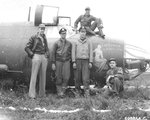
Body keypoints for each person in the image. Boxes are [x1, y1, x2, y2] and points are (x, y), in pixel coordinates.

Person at [25, 24, 49, 99]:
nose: (42, 30)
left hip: (43, 57)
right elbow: (27, 47)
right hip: (36, 56)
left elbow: (46, 48)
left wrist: (47, 54)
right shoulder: (33, 37)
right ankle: (32, 95)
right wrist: (32, 55)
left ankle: (42, 94)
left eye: (43, 29)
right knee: (34, 76)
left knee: (43, 76)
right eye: (41, 29)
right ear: (38, 29)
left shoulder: (44, 37)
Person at [72, 26, 93, 97]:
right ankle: (77, 92)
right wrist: (74, 61)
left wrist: (90, 62)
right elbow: (73, 52)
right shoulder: (75, 42)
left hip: (86, 61)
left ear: (85, 33)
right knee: (77, 77)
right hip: (78, 61)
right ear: (79, 32)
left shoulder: (89, 42)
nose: (82, 33)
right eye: (81, 32)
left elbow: (90, 52)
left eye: (84, 32)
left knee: (85, 78)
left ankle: (86, 92)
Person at [52, 28, 72, 98]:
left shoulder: (69, 43)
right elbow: (53, 53)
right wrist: (53, 63)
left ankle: (63, 91)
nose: (64, 35)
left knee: (66, 77)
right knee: (58, 77)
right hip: (58, 61)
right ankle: (59, 92)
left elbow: (71, 53)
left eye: (65, 33)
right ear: (60, 34)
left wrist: (70, 60)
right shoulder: (56, 43)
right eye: (62, 33)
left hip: (66, 62)